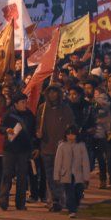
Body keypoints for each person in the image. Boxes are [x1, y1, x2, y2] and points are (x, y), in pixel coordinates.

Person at [37, 84, 76, 212]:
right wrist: (39, 133)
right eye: (50, 93)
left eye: (55, 92)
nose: (52, 95)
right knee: (50, 176)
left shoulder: (65, 109)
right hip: (47, 148)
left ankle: (61, 199)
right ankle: (55, 200)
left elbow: (71, 127)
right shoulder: (42, 109)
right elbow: (38, 127)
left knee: (61, 176)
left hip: (62, 149)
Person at [0, 93, 35, 211]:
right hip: (10, 149)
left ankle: (20, 203)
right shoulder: (9, 114)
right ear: (16, 103)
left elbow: (33, 131)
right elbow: (0, 127)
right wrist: (6, 130)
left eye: (25, 102)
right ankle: (3, 201)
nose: (25, 104)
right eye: (22, 102)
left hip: (24, 149)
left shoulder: (29, 115)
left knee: (22, 176)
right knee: (7, 175)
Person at [54, 127, 90, 218]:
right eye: (68, 134)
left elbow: (85, 162)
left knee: (78, 192)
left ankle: (75, 205)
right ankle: (72, 210)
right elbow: (58, 162)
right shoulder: (62, 146)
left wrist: (86, 177)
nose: (70, 136)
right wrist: (56, 176)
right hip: (66, 174)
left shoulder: (81, 145)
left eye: (72, 134)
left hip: (78, 174)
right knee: (69, 193)